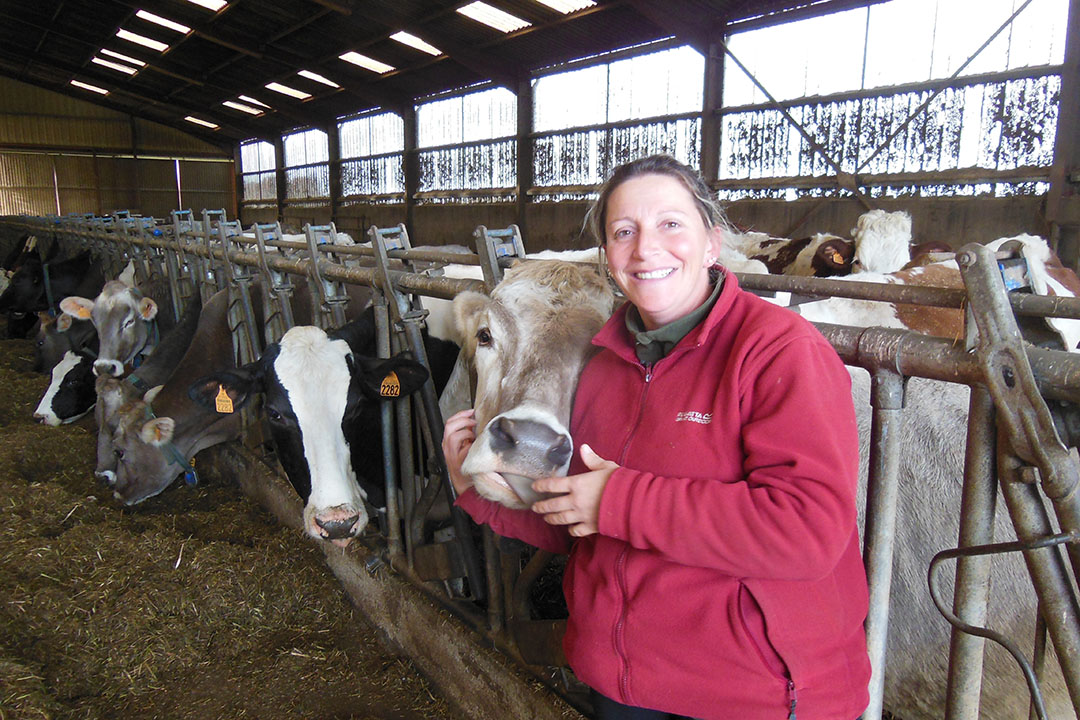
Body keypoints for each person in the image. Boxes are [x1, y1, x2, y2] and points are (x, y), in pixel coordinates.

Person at [443, 154, 871, 720]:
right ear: (609, 257)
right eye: (625, 232)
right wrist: (478, 490)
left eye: (671, 224)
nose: (646, 249)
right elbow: (584, 525)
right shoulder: (602, 362)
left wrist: (621, 500)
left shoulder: (778, 350)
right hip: (624, 688)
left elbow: (808, 530)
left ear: (712, 243)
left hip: (750, 696)